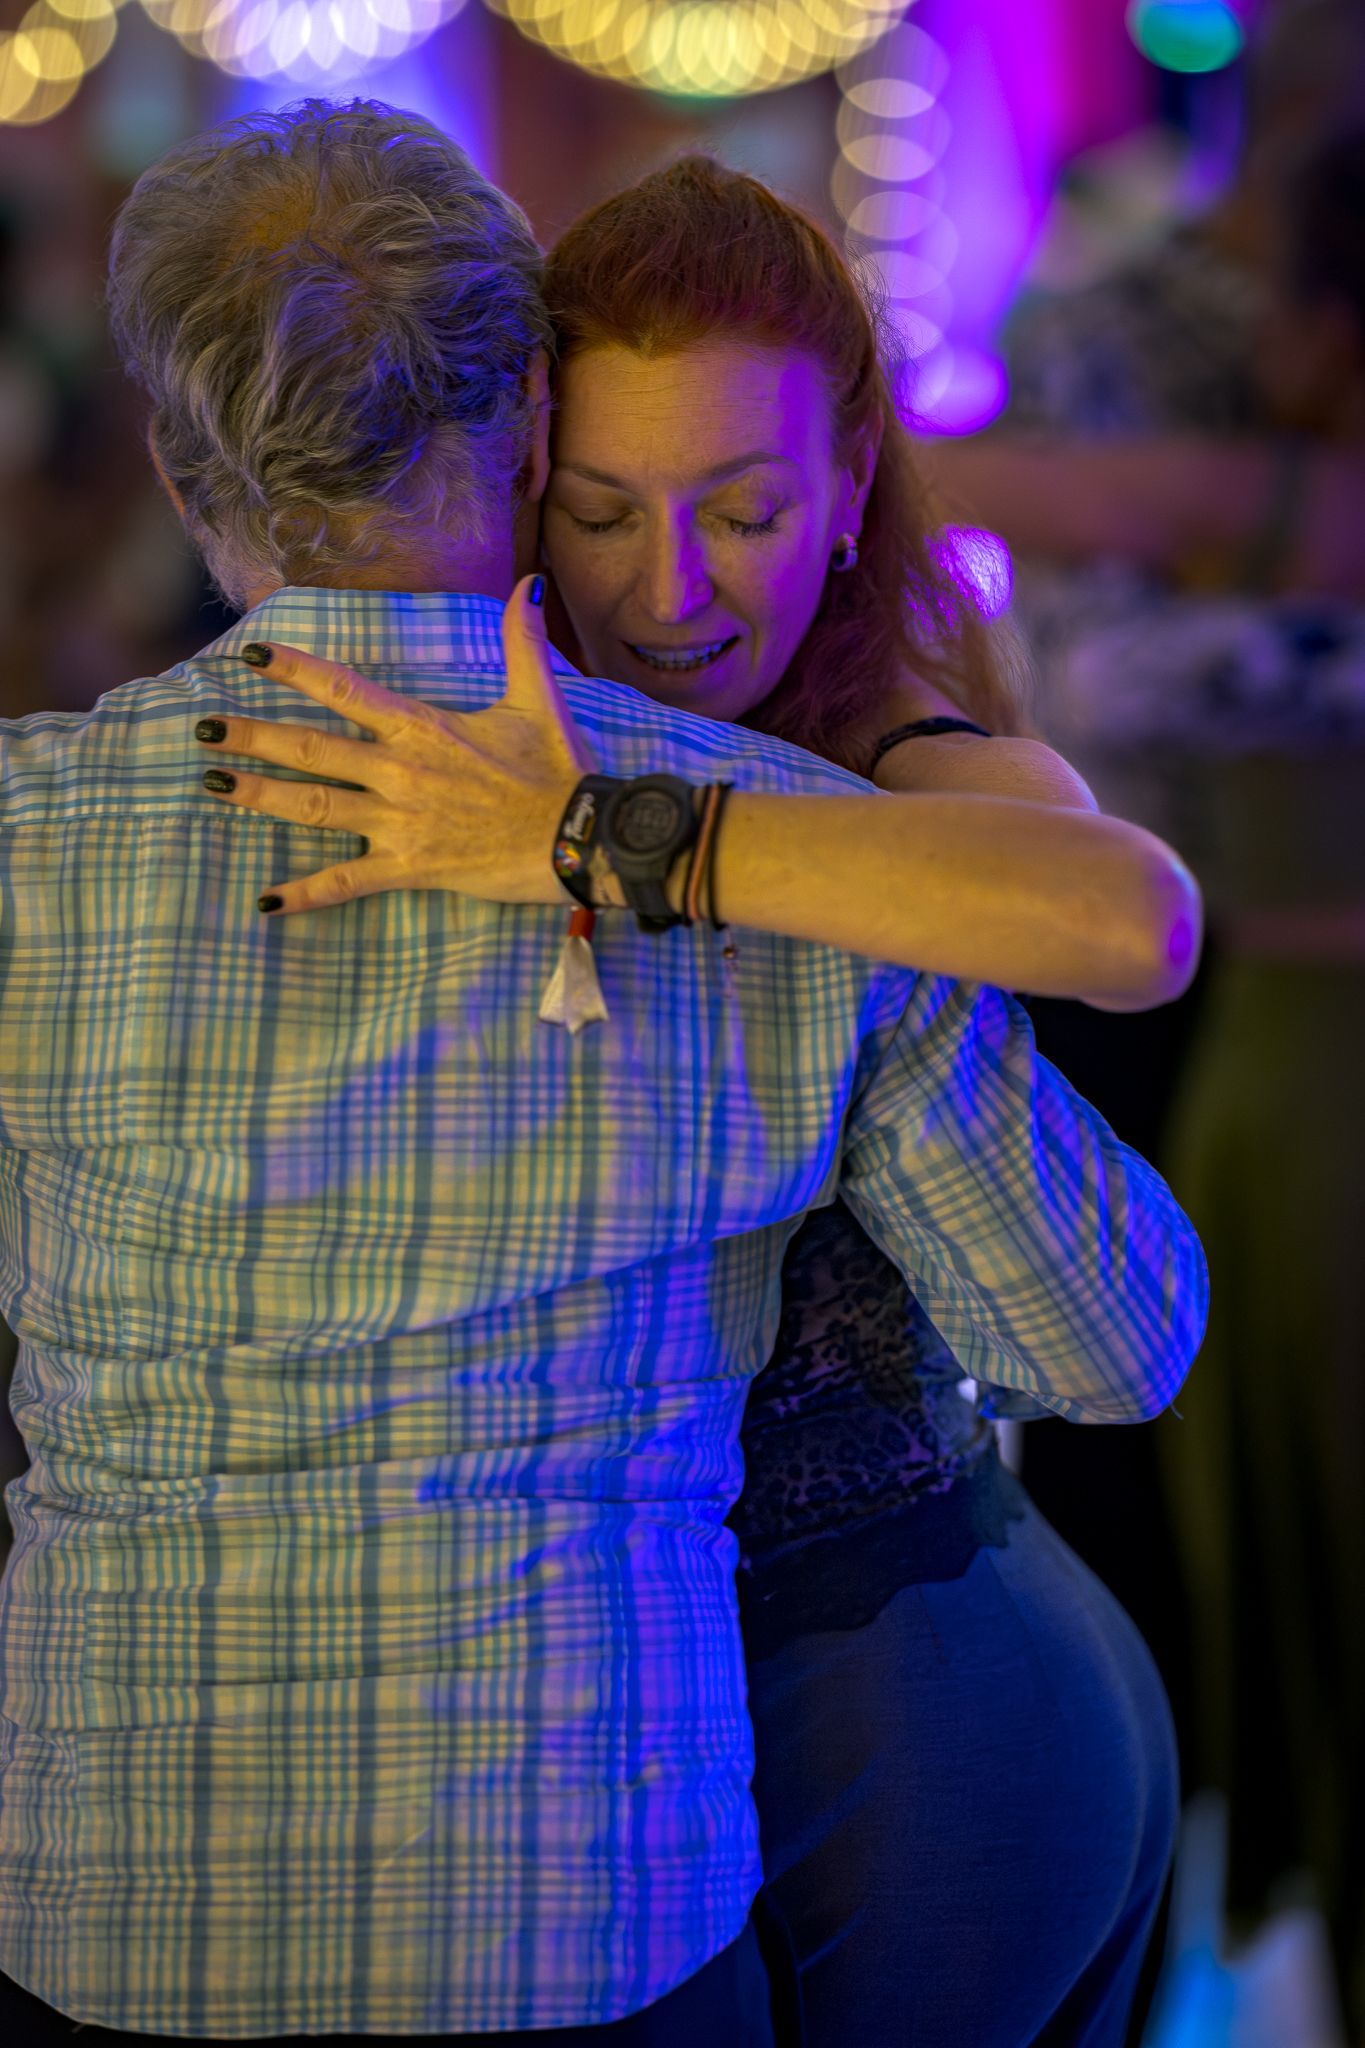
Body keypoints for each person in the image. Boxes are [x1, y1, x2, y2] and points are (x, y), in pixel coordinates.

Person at [0, 104, 1210, 2047]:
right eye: (606, 508)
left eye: (742, 510)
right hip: (593, 1901)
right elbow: (1107, 1338)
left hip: (167, 1917)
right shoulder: (784, 841)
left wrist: (610, 841)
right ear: (525, 441)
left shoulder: (35, 844)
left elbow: (1121, 917)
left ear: (172, 460)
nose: (669, 589)